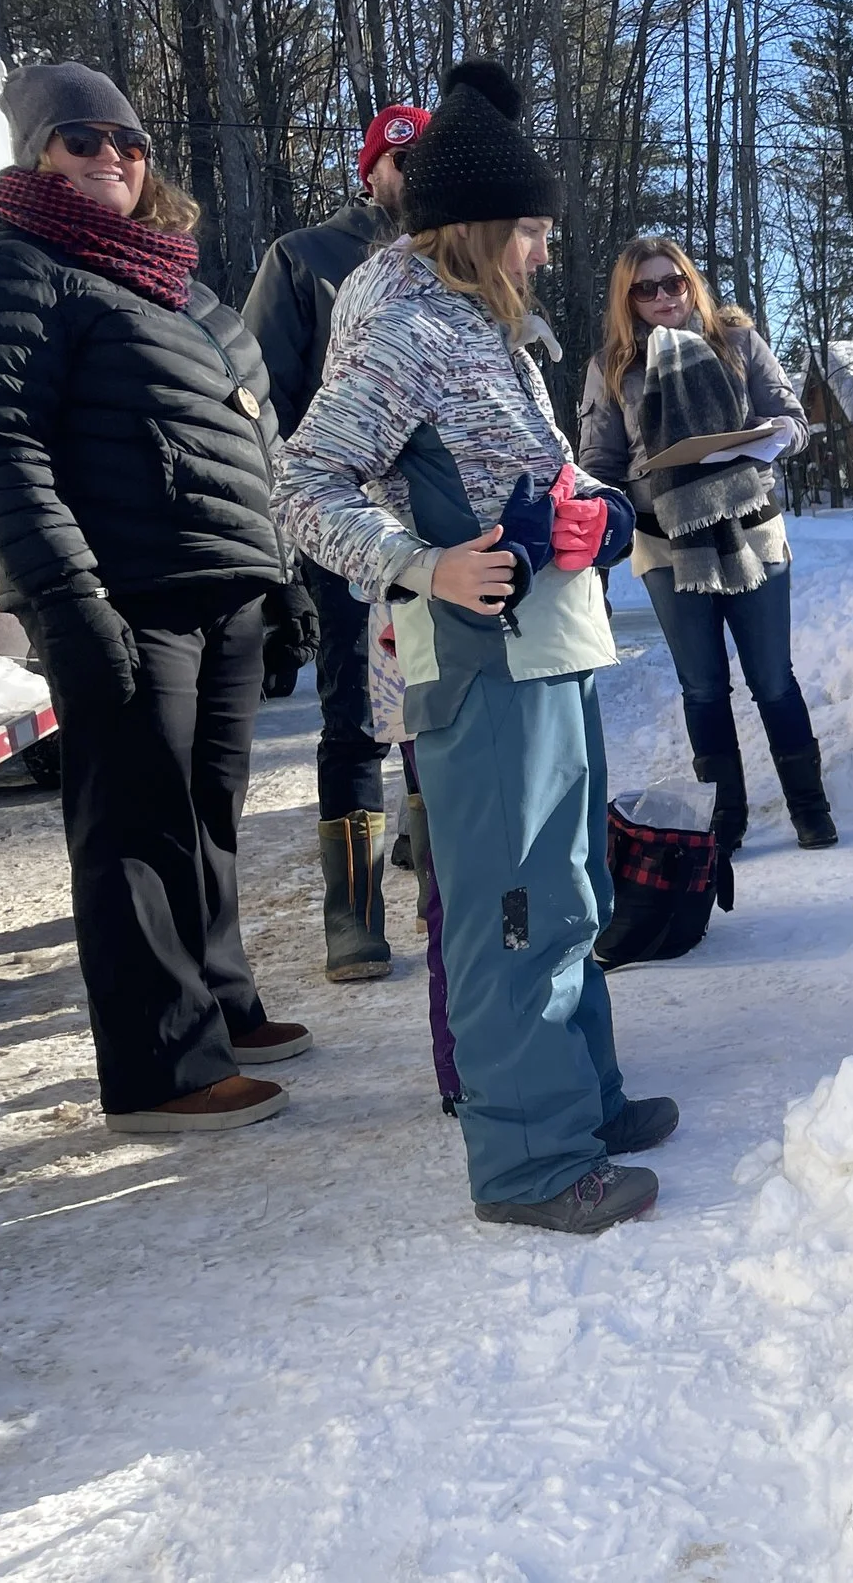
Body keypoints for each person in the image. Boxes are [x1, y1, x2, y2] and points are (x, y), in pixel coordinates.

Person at [273, 60, 670, 1234]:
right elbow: (300, 485)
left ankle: (580, 1100)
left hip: (548, 639)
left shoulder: (490, 325)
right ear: (484, 227)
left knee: (569, 887)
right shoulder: (401, 324)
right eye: (536, 231)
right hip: (479, 655)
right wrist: (424, 565)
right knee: (510, 903)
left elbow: (531, 472)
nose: (548, 250)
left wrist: (593, 508)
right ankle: (532, 1163)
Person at [0, 62, 313, 1132]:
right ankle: (164, 1070)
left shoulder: (178, 281)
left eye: (128, 142)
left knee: (207, 814)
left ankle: (220, 1004)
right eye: (81, 139)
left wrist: (281, 580)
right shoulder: (14, 264)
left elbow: (258, 436)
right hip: (125, 589)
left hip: (225, 583)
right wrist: (66, 596)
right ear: (34, 154)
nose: (110, 156)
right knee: (133, 823)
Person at [244, 100, 431, 984]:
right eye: (399, 159)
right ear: (370, 172)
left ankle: (445, 887)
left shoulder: (457, 265)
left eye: (426, 159)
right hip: (344, 530)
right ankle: (353, 916)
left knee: (436, 708)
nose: (411, 174)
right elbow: (260, 402)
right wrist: (294, 525)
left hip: (438, 538)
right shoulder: (303, 259)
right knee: (354, 716)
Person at [576, 237, 829, 859]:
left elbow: (793, 419)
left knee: (773, 679)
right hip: (667, 547)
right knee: (704, 687)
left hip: (754, 531)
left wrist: (762, 441)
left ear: (691, 284)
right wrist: (636, 489)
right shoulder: (612, 366)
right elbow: (597, 463)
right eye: (647, 287)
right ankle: (725, 820)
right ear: (627, 298)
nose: (664, 297)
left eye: (675, 283)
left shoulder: (738, 341)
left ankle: (810, 809)